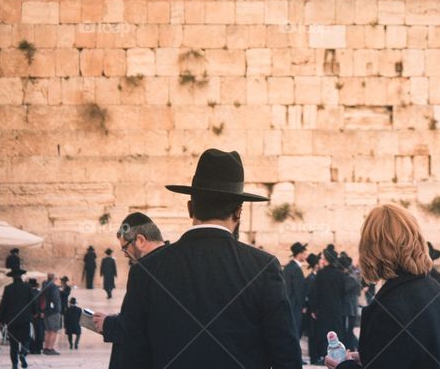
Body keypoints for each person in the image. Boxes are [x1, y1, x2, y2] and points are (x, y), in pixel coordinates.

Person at [120, 148, 301, 368]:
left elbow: (129, 358)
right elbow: (286, 357)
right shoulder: (264, 268)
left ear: (190, 208)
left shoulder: (145, 271)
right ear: (238, 212)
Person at [325, 204, 440, 369]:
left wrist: (342, 366)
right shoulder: (434, 289)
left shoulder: (391, 307)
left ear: (372, 248)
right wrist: (371, 357)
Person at [94, 212, 166, 369]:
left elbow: (135, 327)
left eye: (125, 248)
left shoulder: (141, 270)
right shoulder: (178, 260)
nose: (125, 255)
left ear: (140, 240)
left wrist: (107, 324)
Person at [312, 246, 347, 365]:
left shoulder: (321, 274)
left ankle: (324, 356)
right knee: (336, 330)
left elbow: (316, 293)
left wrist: (313, 309)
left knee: (323, 331)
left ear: (326, 259)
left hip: (323, 307)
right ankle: (338, 356)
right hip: (336, 307)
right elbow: (343, 291)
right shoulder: (340, 274)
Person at [0, 266, 34, 369]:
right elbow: (32, 302)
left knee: (13, 344)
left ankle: (14, 364)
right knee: (26, 339)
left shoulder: (8, 289)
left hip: (12, 320)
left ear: (12, 277)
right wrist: (35, 312)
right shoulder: (27, 287)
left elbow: (4, 304)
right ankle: (23, 353)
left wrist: (0, 319)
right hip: (25, 319)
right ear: (21, 276)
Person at [282, 242, 308, 340]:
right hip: (296, 306)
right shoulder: (296, 269)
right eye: (304, 254)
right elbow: (299, 291)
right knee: (296, 332)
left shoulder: (288, 267)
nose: (305, 256)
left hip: (289, 305)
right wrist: (303, 306)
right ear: (299, 254)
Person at [339, 252, 361, 351]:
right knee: (347, 329)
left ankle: (352, 347)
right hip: (349, 306)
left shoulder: (352, 277)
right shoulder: (352, 275)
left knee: (348, 329)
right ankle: (353, 345)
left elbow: (344, 289)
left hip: (349, 307)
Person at [303, 252, 322, 363]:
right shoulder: (311, 278)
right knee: (313, 334)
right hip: (312, 311)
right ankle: (314, 358)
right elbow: (310, 296)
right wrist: (313, 310)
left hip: (314, 310)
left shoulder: (315, 277)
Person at [41, 272, 62, 355]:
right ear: (54, 278)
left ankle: (46, 347)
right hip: (53, 312)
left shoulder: (44, 286)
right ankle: (50, 348)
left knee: (48, 330)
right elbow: (55, 299)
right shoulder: (53, 287)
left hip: (46, 311)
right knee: (54, 330)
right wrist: (57, 309)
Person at [27, 278, 44, 354]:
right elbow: (43, 305)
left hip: (29, 316)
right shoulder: (40, 293)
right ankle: (39, 348)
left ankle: (31, 348)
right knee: (39, 332)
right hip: (39, 316)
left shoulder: (27, 294)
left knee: (30, 332)